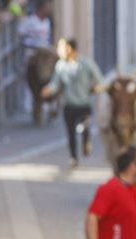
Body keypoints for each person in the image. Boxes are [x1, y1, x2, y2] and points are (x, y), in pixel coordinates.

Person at [40, 37, 101, 165]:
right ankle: (73, 157)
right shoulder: (61, 65)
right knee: (71, 133)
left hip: (84, 104)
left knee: (84, 127)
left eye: (60, 47)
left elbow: (98, 78)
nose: (58, 50)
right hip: (69, 105)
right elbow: (55, 83)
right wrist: (49, 90)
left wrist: (96, 87)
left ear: (69, 48)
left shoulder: (86, 63)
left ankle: (86, 141)